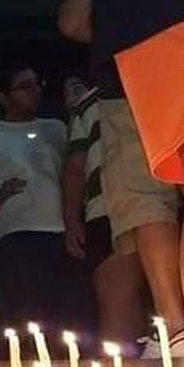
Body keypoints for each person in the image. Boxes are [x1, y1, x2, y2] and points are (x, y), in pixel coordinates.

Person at [59, 0, 184, 356]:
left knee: (145, 204)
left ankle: (176, 331)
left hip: (125, 69)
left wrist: (122, 29)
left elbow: (73, 21)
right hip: (182, 40)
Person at [0, 62, 77, 328]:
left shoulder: (55, 128)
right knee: (30, 317)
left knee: (69, 318)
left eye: (37, 84)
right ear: (3, 97)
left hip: (64, 233)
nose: (35, 91)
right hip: (20, 236)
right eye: (25, 87)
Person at [62, 74, 148, 350]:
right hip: (150, 198)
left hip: (110, 204)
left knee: (117, 294)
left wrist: (72, 219)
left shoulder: (89, 106)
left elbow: (76, 166)